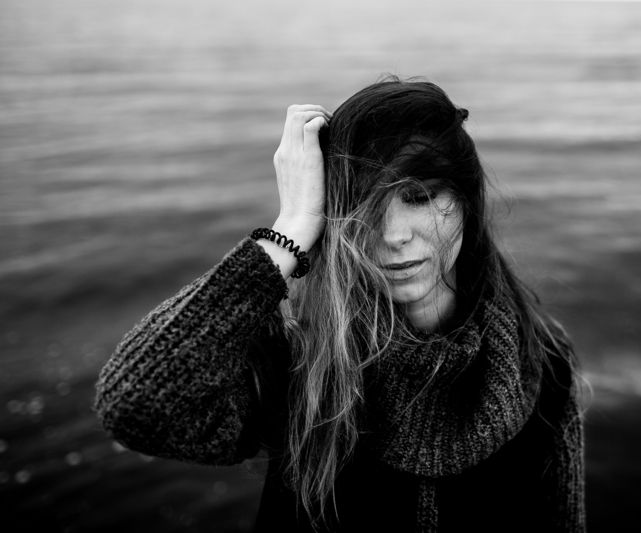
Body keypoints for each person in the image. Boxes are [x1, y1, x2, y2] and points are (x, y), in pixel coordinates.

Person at [94, 75, 587, 532]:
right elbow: (134, 404)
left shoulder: (542, 359)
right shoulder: (298, 353)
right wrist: (291, 227)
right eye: (361, 206)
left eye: (418, 196)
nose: (392, 236)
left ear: (465, 201)